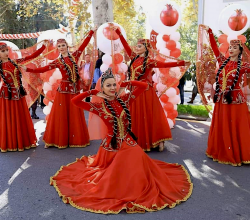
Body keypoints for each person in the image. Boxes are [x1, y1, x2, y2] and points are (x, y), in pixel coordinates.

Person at [50, 68, 193, 214]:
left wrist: (127, 82)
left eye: (114, 85)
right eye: (108, 85)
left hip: (128, 142)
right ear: (102, 88)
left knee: (135, 155)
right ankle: (122, 187)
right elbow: (75, 101)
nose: (112, 88)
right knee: (124, 163)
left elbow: (143, 87)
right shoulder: (98, 107)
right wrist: (92, 92)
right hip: (110, 146)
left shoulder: (125, 99)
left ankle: (134, 187)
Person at [114, 26, 190, 151]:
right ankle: (136, 140)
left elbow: (165, 64)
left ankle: (155, 141)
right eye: (137, 46)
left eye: (139, 46)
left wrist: (181, 63)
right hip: (134, 92)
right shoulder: (134, 57)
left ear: (146, 48)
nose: (136, 48)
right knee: (135, 116)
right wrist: (118, 33)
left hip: (145, 92)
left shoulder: (149, 61)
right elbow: (125, 45)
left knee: (148, 116)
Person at [22, 27, 97, 149]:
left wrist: (91, 32)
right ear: (57, 49)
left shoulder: (75, 56)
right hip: (63, 90)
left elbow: (83, 45)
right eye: (59, 46)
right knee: (62, 115)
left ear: (67, 46)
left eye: (63, 45)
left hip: (74, 90)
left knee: (75, 114)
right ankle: (60, 139)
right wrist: (28, 69)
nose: (61, 47)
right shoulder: (58, 62)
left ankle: (75, 138)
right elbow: (43, 69)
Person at [202, 25, 250, 166]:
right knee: (222, 125)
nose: (231, 49)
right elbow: (214, 47)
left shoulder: (243, 66)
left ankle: (238, 153)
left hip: (235, 100)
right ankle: (221, 150)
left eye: (235, 48)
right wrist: (210, 33)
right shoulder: (223, 62)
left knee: (235, 126)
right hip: (221, 100)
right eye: (230, 47)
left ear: (240, 51)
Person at [0, 41, 46, 152]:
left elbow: (32, 56)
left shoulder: (15, 62)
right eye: (3, 51)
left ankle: (22, 141)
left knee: (20, 117)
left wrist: (44, 47)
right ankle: (10, 142)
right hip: (7, 95)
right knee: (9, 118)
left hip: (19, 93)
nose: (6, 52)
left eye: (7, 50)